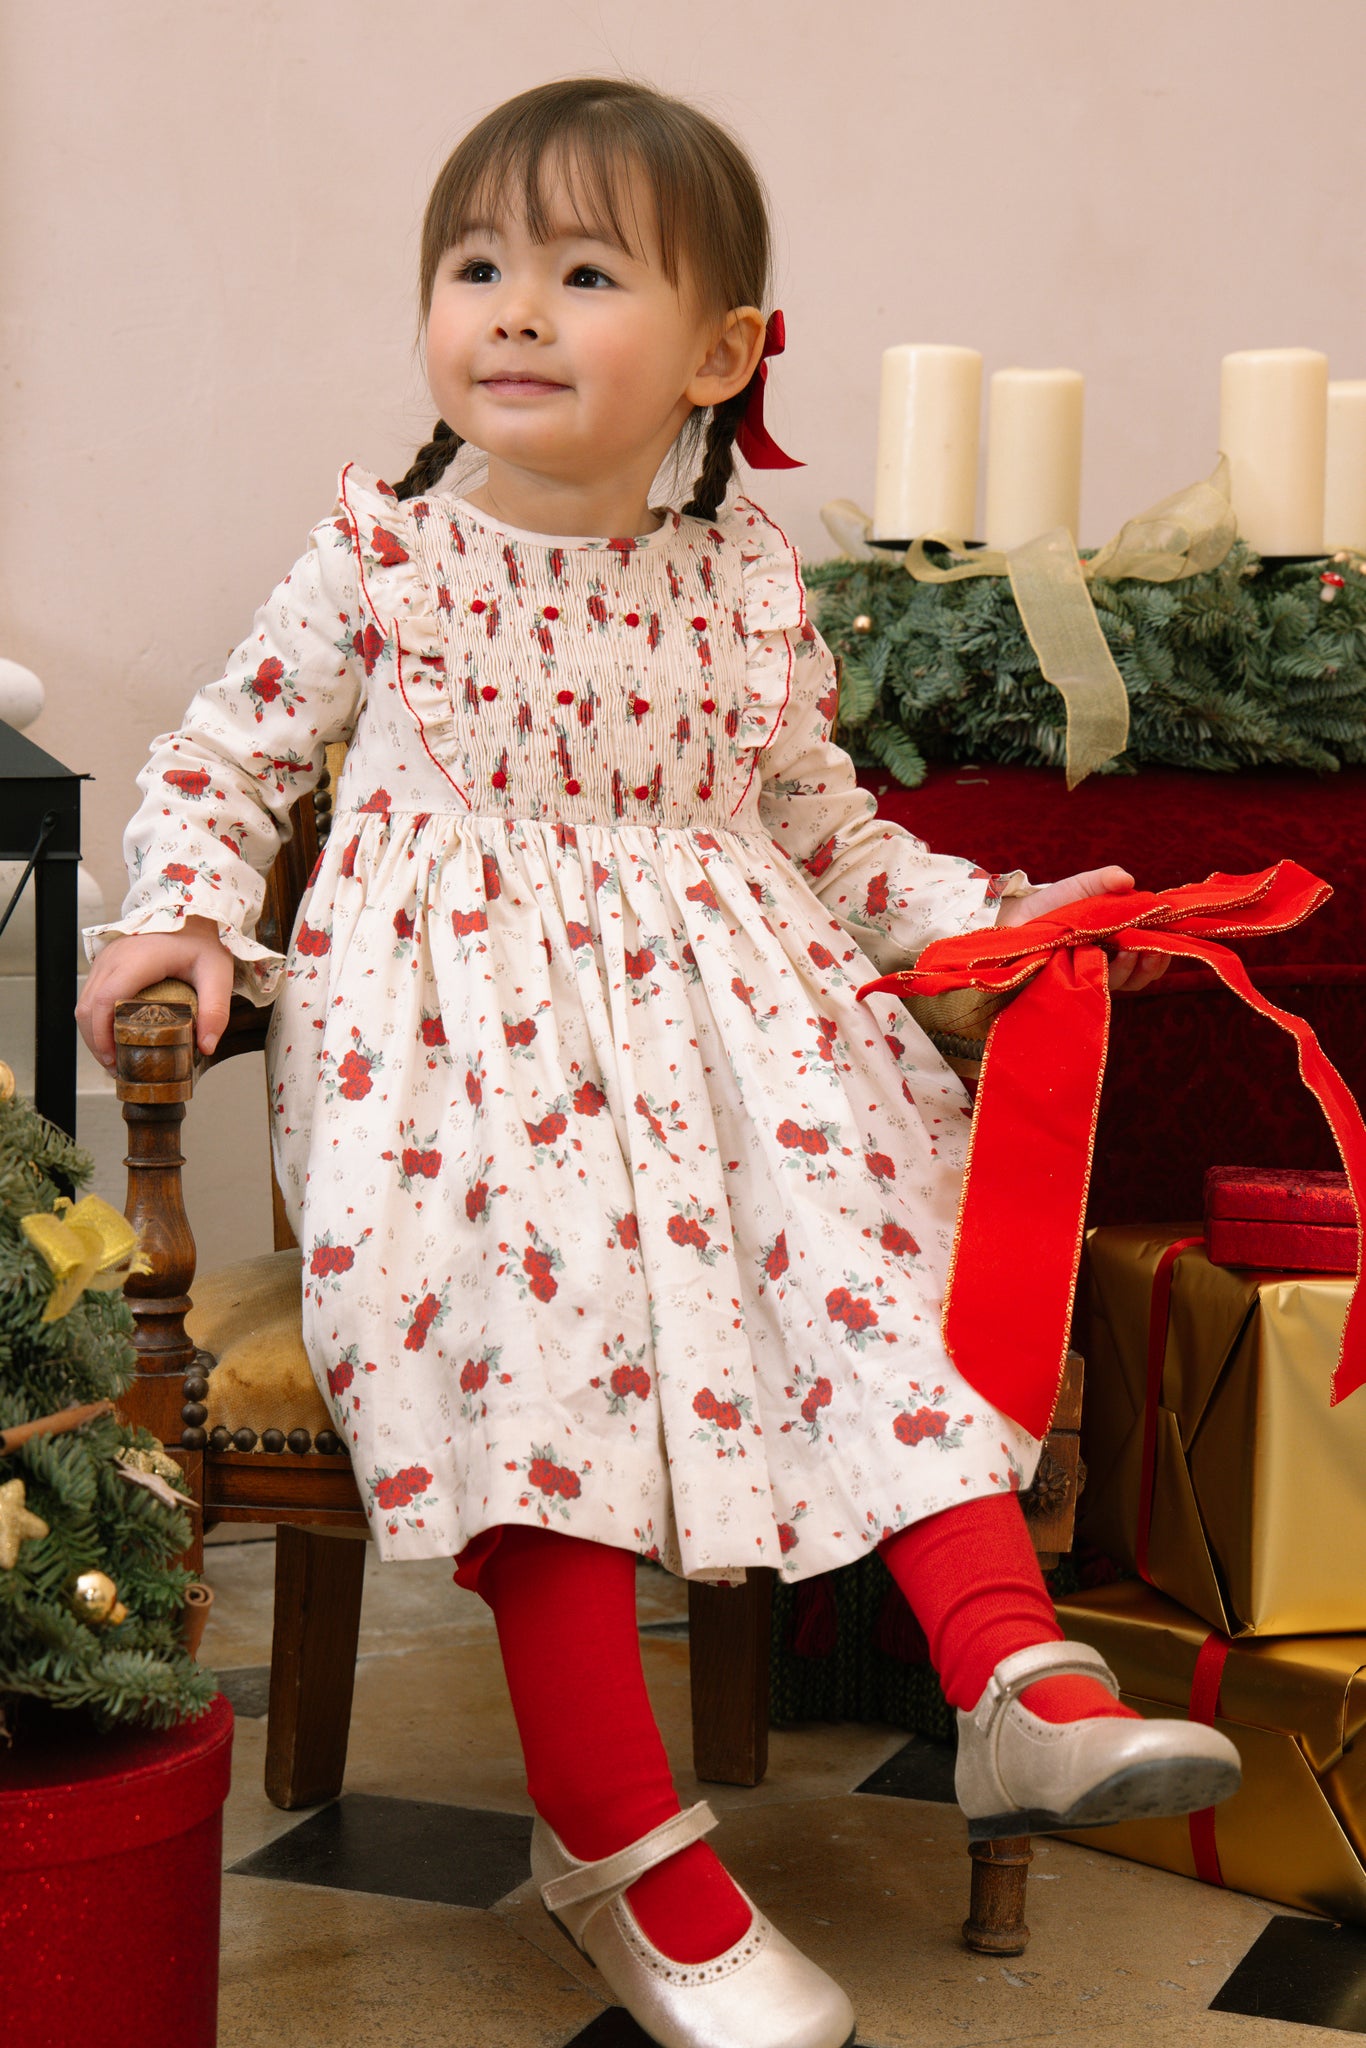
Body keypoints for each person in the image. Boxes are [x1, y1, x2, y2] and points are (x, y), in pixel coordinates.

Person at [77, 77, 1239, 2048]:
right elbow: (224, 753)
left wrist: (979, 923)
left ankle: (1010, 1677)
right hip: (462, 1059)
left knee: (873, 1264)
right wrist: (181, 907)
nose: (515, 309)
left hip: (734, 1050)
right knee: (536, 1340)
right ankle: (624, 1848)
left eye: (585, 272)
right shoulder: (386, 551)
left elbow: (820, 823)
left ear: (718, 351)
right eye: (475, 266)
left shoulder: (742, 581)